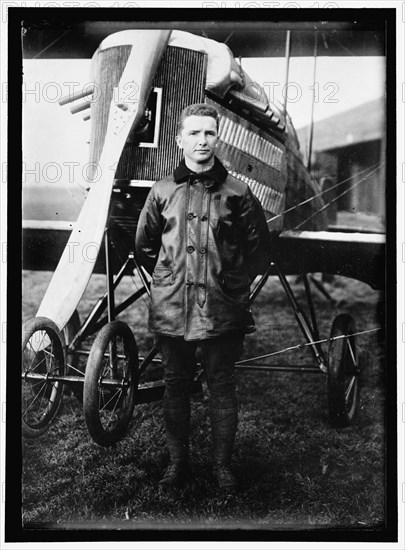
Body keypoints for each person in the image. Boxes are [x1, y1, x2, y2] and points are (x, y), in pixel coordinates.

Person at [135, 103, 270, 491]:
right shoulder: (162, 190)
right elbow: (145, 247)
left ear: (218, 138)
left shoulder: (238, 192)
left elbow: (259, 251)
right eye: (193, 133)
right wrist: (170, 279)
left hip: (222, 307)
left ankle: (222, 467)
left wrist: (230, 284)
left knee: (221, 383)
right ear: (179, 139)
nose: (201, 141)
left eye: (208, 133)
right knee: (176, 383)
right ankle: (178, 465)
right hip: (173, 306)